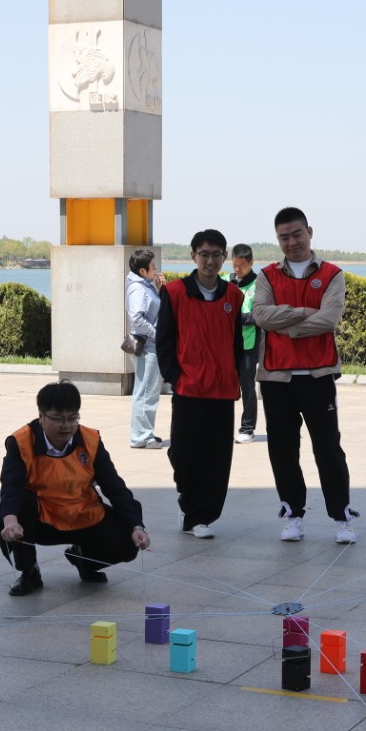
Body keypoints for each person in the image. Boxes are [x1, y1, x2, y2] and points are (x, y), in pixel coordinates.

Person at [251, 206, 357, 543]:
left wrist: (288, 327)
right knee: (283, 450)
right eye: (284, 237)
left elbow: (329, 319)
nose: (292, 242)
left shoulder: (332, 274)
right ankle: (292, 515)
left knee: (328, 449)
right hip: (276, 377)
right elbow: (261, 315)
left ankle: (342, 518)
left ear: (309, 232)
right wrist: (302, 313)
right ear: (277, 239)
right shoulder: (267, 275)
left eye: (297, 234)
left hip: (317, 375)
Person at [0, 381, 150, 595]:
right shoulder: (21, 442)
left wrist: (136, 527)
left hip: (84, 515)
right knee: (18, 505)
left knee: (126, 541)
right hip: (43, 520)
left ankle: (84, 561)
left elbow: (115, 487)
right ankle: (29, 572)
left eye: (72, 418)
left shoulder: (90, 440)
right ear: (41, 416)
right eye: (57, 419)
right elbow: (11, 486)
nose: (66, 426)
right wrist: (10, 521)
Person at [156, 229, 243, 539]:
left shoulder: (233, 296)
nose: (210, 261)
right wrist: (175, 377)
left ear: (225, 257)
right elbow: (164, 340)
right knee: (183, 453)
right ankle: (189, 502)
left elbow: (236, 344)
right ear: (193, 256)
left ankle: (199, 516)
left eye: (216, 255)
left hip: (222, 390)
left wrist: (233, 375)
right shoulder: (175, 292)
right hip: (188, 388)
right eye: (204, 254)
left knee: (217, 459)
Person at [126, 248, 165, 450]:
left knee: (149, 391)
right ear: (143, 271)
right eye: (153, 267)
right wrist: (157, 334)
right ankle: (141, 436)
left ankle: (144, 433)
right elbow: (137, 319)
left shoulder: (146, 286)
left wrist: (160, 289)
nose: (156, 269)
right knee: (146, 392)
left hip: (151, 345)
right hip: (149, 346)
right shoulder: (138, 289)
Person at [229, 243, 260, 443]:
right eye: (235, 264)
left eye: (243, 265)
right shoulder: (226, 281)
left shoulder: (259, 284)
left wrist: (236, 317)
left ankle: (247, 428)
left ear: (251, 263)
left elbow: (259, 315)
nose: (238, 269)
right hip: (225, 344)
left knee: (247, 387)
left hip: (248, 345)